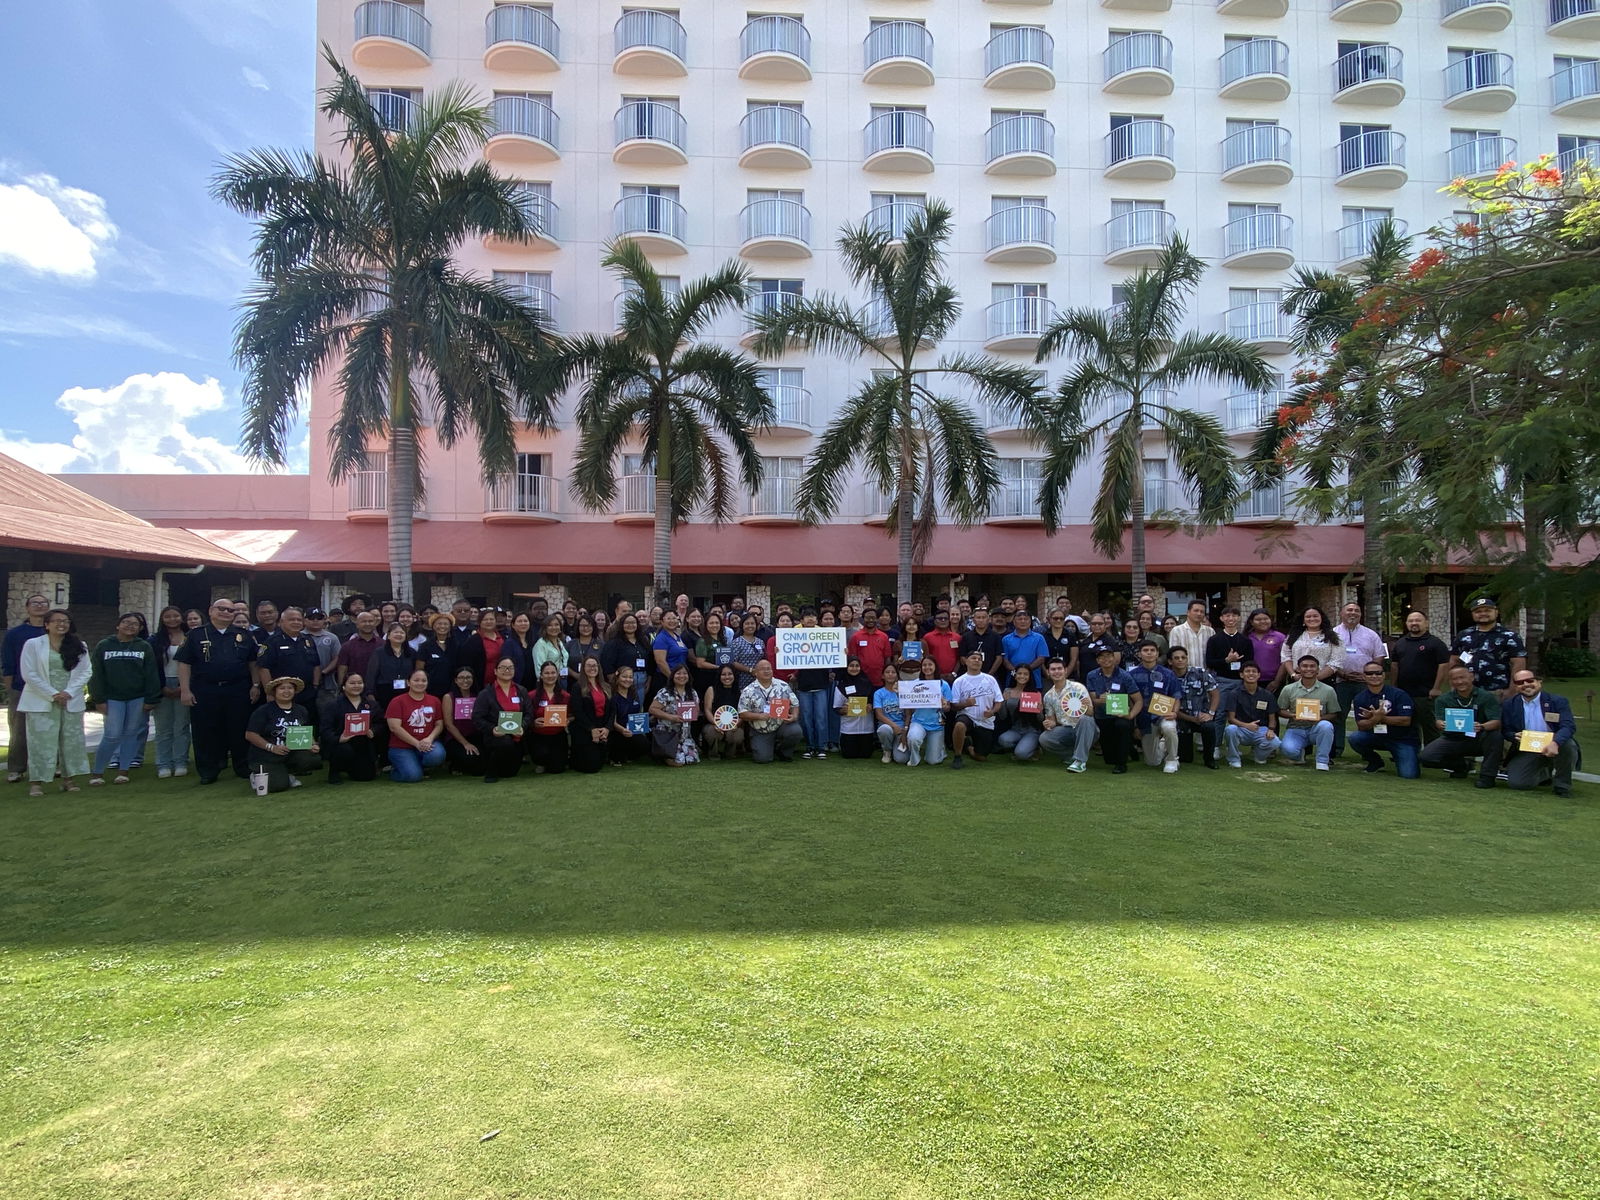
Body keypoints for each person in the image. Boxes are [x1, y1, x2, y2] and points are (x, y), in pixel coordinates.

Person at [176, 598, 260, 785]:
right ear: (211, 610)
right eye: (221, 609)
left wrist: (255, 685)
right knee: (205, 731)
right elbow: (184, 663)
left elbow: (253, 662)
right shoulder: (196, 635)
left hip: (237, 688)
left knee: (239, 729)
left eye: (230, 610)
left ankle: (243, 767)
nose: (226, 613)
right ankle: (208, 770)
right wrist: (185, 690)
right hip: (205, 689)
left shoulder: (243, 635)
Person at [18, 608, 92, 796]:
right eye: (57, 621)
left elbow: (85, 671)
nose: (62, 624)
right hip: (41, 699)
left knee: (71, 741)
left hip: (70, 700)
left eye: (65, 621)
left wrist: (68, 692)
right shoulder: (33, 644)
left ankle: (69, 779)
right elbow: (29, 673)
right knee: (40, 741)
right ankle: (36, 782)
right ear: (47, 624)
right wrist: (53, 694)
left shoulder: (79, 645)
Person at [86, 612, 162, 786]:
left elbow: (151, 673)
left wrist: (151, 698)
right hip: (113, 698)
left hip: (137, 697)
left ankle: (123, 771)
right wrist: (98, 699)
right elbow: (96, 673)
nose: (130, 626)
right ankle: (97, 772)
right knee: (112, 735)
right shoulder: (104, 645)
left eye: (135, 624)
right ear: (118, 625)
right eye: (126, 622)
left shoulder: (143, 647)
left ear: (140, 628)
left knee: (131, 734)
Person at [1498, 669, 1579, 797]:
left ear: (1539, 682)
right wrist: (1513, 736)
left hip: (1555, 745)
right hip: (1528, 748)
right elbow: (1506, 730)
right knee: (1518, 784)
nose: (1525, 684)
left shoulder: (1557, 701)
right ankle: (1544, 773)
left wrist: (1555, 742)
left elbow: (1568, 726)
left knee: (1568, 744)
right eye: (1520, 682)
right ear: (1516, 686)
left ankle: (1562, 785)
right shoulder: (1509, 704)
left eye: (1530, 680)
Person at [1420, 664, 1504, 788]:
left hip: (1479, 738)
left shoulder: (1486, 697)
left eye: (1462, 677)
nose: (1459, 682)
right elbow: (1438, 721)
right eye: (1455, 679)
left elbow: (1496, 722)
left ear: (1471, 677)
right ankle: (1460, 766)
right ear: (1450, 681)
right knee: (1426, 757)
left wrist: (1481, 726)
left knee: (1495, 737)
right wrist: (1441, 724)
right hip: (1452, 738)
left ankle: (1487, 777)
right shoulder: (1443, 699)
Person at [244, 676, 322, 793]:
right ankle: (257, 775)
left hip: (290, 753)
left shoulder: (301, 710)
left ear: (295, 691)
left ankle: (286, 773)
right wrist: (272, 747)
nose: (286, 691)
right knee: (278, 787)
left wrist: (313, 744)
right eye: (282, 688)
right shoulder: (263, 711)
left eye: (290, 688)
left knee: (312, 759)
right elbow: (250, 734)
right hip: (266, 755)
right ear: (274, 692)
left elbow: (305, 731)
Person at [1329, 601, 1387, 758]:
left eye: (1356, 610)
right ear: (1341, 613)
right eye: (1349, 610)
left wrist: (1369, 674)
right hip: (1341, 681)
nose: (1352, 613)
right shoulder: (1333, 633)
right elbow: (1327, 656)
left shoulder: (1371, 634)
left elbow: (1379, 656)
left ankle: (1366, 750)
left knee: (1367, 714)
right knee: (1339, 715)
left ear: (1360, 614)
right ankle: (1337, 748)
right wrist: (1341, 673)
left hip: (1365, 682)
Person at [3, 591, 50, 784]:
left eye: (43, 603)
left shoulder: (54, 631)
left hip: (51, 689)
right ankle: (16, 769)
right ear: (27, 608)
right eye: (35, 603)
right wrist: (10, 688)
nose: (39, 606)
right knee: (19, 730)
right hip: (21, 688)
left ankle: (49, 765)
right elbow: (8, 661)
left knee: (49, 729)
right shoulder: (15, 634)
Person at [1346, 659, 1419, 778]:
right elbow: (1362, 725)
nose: (1374, 676)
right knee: (1355, 738)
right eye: (1369, 673)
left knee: (1409, 775)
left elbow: (1406, 721)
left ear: (1384, 675)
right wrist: (1376, 719)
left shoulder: (1399, 694)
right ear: (1364, 676)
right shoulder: (1360, 698)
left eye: (1378, 673)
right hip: (1377, 736)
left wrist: (1381, 718)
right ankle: (1375, 761)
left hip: (1402, 739)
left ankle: (1401, 755)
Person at [1388, 610, 1451, 743]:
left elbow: (1444, 666)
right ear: (1406, 623)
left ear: (1426, 623)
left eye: (1418, 620)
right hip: (1404, 693)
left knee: (1430, 727)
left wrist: (1437, 688)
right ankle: (1410, 754)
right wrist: (1394, 687)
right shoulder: (1400, 643)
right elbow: (1394, 665)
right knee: (1407, 726)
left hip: (1426, 694)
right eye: (1411, 621)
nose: (1414, 623)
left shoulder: (1435, 643)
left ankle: (1432, 756)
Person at [1450, 594, 1528, 698]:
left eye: (1487, 610)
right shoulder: (1464, 635)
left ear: (1496, 612)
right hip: (1468, 692)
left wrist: (1512, 690)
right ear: (1472, 614)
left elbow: (1519, 663)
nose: (1483, 614)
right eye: (1478, 611)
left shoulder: (1509, 636)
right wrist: (1454, 685)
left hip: (1498, 691)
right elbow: (1456, 660)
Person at [148, 605, 192, 778]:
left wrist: (185, 686)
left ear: (181, 618)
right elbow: (151, 667)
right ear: (162, 619)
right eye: (168, 616)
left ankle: (180, 761)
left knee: (181, 726)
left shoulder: (190, 637)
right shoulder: (155, 640)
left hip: (184, 683)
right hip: (163, 684)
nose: (172, 619)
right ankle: (163, 763)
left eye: (176, 616)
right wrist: (161, 687)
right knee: (163, 728)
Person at [1277, 655, 1341, 770]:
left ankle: (1322, 761)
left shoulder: (1328, 690)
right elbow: (1281, 710)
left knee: (1326, 726)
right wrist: (1292, 715)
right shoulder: (1288, 689)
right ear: (1298, 669)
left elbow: (1334, 713)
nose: (1308, 669)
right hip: (1296, 728)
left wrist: (1320, 719)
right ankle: (1299, 754)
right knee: (1287, 750)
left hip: (1317, 728)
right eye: (1305, 666)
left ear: (1318, 669)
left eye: (1312, 666)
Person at [1203, 605, 1251, 758]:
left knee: (1240, 715)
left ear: (1238, 618)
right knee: (1220, 714)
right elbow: (1210, 662)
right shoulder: (1214, 639)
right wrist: (1227, 660)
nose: (1231, 619)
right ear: (1222, 619)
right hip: (1221, 681)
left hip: (1240, 681)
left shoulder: (1245, 641)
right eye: (1227, 616)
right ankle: (1216, 745)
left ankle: (1236, 746)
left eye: (1234, 616)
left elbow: (1250, 663)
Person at [472, 656, 530, 783]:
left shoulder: (521, 691)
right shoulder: (486, 694)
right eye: (503, 667)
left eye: (510, 668)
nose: (507, 670)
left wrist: (523, 726)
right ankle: (491, 770)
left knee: (510, 774)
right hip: (495, 738)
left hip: (517, 737)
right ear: (495, 671)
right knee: (504, 742)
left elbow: (528, 714)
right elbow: (477, 718)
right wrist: (492, 729)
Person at [1085, 645, 1141, 774]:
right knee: (1109, 759)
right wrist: (1101, 700)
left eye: (1109, 656)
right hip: (1102, 716)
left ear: (1114, 658)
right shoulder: (1092, 675)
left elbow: (1138, 700)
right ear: (1097, 660)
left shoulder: (1125, 676)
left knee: (1122, 726)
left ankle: (1122, 765)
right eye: (1102, 657)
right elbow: (1093, 700)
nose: (1106, 659)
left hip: (1120, 716)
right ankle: (1129, 748)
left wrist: (1131, 715)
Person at [1129, 639, 1181, 773]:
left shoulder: (1168, 674)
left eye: (1152, 650)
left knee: (1169, 728)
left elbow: (1176, 696)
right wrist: (1134, 726)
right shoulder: (1132, 675)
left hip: (1164, 715)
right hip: (1144, 719)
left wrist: (1174, 713)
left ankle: (1172, 759)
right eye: (1145, 650)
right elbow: (1130, 701)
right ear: (1140, 654)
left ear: (1157, 654)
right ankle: (1163, 745)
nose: (1149, 653)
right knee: (1152, 762)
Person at [320, 672, 381, 784]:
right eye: (352, 683)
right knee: (344, 750)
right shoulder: (333, 705)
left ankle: (351, 768)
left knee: (366, 777)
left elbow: (380, 723)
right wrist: (338, 738)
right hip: (342, 745)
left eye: (359, 683)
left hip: (363, 744)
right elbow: (325, 729)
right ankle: (334, 770)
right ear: (344, 686)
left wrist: (373, 731)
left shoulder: (371, 704)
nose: (356, 686)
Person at [738, 659, 804, 764]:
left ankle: (783, 751)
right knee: (763, 759)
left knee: (795, 731)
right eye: (763, 669)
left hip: (781, 725)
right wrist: (758, 716)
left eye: (769, 669)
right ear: (756, 673)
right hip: (760, 730)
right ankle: (768, 748)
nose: (766, 671)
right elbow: (742, 713)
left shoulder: (783, 686)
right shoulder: (748, 690)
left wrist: (794, 716)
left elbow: (795, 704)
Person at [385, 669, 445, 783]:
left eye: (424, 680)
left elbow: (439, 724)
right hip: (401, 747)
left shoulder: (434, 700)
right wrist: (417, 743)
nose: (420, 683)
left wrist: (429, 739)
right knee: (413, 777)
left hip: (427, 743)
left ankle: (416, 765)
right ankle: (395, 770)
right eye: (416, 680)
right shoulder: (397, 701)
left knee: (438, 755)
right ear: (408, 682)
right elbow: (394, 727)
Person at [1038, 657, 1096, 772]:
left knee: (1085, 719)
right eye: (1053, 669)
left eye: (1059, 668)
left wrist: (1087, 707)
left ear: (1065, 670)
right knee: (1044, 738)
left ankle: (1080, 761)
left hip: (1086, 728)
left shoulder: (1078, 687)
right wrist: (1049, 723)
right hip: (1066, 730)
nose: (1056, 672)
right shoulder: (1048, 696)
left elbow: (1090, 713)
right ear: (1048, 672)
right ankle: (1072, 756)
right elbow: (1052, 721)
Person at [948, 649, 1004, 769]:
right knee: (959, 725)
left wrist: (992, 712)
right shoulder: (959, 681)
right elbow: (953, 705)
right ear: (966, 661)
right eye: (973, 658)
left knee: (981, 757)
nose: (977, 660)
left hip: (985, 720)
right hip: (967, 716)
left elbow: (999, 701)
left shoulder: (990, 679)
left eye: (979, 659)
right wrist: (965, 704)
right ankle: (957, 757)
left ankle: (967, 746)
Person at [1167, 646, 1219, 768]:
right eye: (1176, 658)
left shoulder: (1200, 673)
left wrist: (1211, 713)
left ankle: (1209, 758)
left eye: (1183, 657)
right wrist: (1191, 719)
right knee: (1186, 759)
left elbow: (1215, 693)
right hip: (1180, 719)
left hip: (1202, 716)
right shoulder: (1166, 677)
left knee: (1209, 727)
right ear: (1170, 661)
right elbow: (1169, 706)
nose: (1180, 660)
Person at [1223, 662, 1281, 768]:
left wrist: (1271, 730)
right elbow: (1231, 719)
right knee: (1230, 729)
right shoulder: (1234, 694)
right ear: (1241, 675)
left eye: (1254, 671)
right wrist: (1247, 725)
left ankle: (1258, 756)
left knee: (1275, 742)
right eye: (1247, 671)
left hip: (1261, 729)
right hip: (1241, 729)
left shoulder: (1267, 695)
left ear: (1259, 675)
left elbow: (1272, 717)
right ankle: (1234, 759)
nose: (1251, 674)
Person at [649, 663, 701, 767]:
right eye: (678, 673)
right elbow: (652, 709)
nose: (682, 676)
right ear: (672, 676)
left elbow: (697, 710)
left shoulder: (692, 693)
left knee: (692, 760)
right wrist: (671, 717)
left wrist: (693, 713)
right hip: (668, 734)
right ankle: (664, 755)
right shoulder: (665, 692)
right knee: (678, 763)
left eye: (685, 673)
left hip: (685, 734)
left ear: (688, 676)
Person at [1276, 608, 1340, 692]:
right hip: (1297, 680)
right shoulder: (1293, 636)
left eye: (1315, 616)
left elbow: (1336, 661)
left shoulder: (1332, 637)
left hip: (1323, 681)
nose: (1312, 619)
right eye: (1308, 617)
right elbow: (1286, 657)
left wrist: (1315, 678)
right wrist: (1293, 675)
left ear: (1322, 618)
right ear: (1303, 620)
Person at [904, 656, 953, 766]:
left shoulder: (943, 685)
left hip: (937, 724)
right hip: (918, 722)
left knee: (933, 761)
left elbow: (948, 708)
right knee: (913, 738)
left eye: (930, 665)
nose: (927, 667)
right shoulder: (914, 683)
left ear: (935, 667)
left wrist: (945, 705)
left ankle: (941, 750)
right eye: (924, 665)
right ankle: (914, 759)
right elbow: (907, 701)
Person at [567, 656, 611, 775]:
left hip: (602, 728)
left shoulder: (606, 686)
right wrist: (591, 729)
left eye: (594, 665)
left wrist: (607, 728)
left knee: (599, 762)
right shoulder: (577, 687)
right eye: (589, 665)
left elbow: (612, 711)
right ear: (583, 669)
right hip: (584, 728)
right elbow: (578, 711)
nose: (592, 668)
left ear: (599, 668)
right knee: (591, 767)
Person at [528, 660, 571, 775]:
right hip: (539, 736)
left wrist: (568, 721)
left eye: (553, 673)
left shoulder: (565, 696)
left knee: (557, 769)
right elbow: (526, 716)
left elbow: (573, 715)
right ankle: (540, 761)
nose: (550, 676)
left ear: (557, 675)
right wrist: (533, 722)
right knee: (541, 755)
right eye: (546, 673)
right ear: (541, 676)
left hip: (558, 736)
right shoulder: (531, 695)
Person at [441, 666, 486, 776]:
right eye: (461, 678)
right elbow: (448, 724)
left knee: (483, 767)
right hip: (456, 738)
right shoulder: (448, 697)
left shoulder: (479, 696)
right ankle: (455, 764)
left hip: (475, 736)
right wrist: (465, 743)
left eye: (468, 677)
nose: (465, 680)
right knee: (471, 762)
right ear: (456, 680)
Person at [995, 663, 1042, 764]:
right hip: (1015, 729)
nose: (1022, 676)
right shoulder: (1008, 691)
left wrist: (1040, 710)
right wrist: (1003, 701)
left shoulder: (1035, 693)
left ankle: (1034, 749)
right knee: (1003, 740)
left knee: (1021, 754)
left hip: (1031, 730)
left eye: (1026, 674)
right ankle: (1024, 746)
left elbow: (1040, 719)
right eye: (1019, 673)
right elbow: (1002, 716)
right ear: (1015, 675)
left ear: (1029, 677)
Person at [601, 613, 652, 705]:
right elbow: (607, 664)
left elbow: (650, 661)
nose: (630, 625)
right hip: (623, 682)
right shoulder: (614, 643)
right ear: (621, 625)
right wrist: (615, 682)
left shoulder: (643, 641)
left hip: (642, 681)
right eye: (627, 623)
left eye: (633, 623)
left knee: (638, 709)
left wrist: (648, 680)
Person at [700, 664, 747, 760]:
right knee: (712, 733)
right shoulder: (711, 690)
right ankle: (714, 754)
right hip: (713, 724)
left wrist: (736, 724)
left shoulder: (741, 692)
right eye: (723, 674)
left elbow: (743, 712)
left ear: (734, 675)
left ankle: (731, 754)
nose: (727, 677)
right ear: (719, 676)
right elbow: (707, 709)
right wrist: (716, 723)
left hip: (734, 725)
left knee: (736, 735)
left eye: (730, 674)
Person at [834, 657, 877, 759]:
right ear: (846, 667)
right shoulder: (841, 686)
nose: (854, 668)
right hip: (849, 728)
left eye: (857, 666)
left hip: (866, 728)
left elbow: (874, 702)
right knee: (849, 755)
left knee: (866, 755)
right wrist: (843, 710)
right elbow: (836, 708)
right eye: (851, 666)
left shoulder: (868, 683)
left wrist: (870, 706)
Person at [457, 610, 509, 693]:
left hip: (503, 682)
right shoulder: (473, 641)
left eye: (491, 619)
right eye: (485, 620)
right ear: (479, 622)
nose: (489, 622)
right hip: (481, 684)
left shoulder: (503, 638)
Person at [607, 665, 649, 764]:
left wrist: (647, 721)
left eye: (630, 677)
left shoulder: (634, 695)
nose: (628, 680)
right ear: (617, 678)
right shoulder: (612, 696)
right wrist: (622, 730)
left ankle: (629, 755)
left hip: (632, 731)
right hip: (616, 732)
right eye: (624, 676)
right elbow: (612, 721)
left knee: (645, 745)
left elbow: (638, 714)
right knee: (619, 757)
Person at [366, 622, 419, 700]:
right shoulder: (379, 653)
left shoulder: (411, 652)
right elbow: (371, 675)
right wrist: (370, 693)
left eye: (402, 632)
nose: (399, 635)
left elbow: (416, 672)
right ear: (389, 636)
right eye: (396, 632)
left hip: (407, 692)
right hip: (384, 693)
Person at [999, 610, 1049, 689]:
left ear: (1030, 622)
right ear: (1014, 622)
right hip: (1012, 680)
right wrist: (1017, 672)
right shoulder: (1006, 639)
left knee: (1032, 701)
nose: (1023, 621)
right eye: (1020, 619)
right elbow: (1005, 660)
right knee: (1011, 701)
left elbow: (1041, 658)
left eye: (1026, 619)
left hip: (1034, 681)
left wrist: (1026, 671)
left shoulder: (1039, 638)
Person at [334, 610, 383, 689]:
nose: (367, 624)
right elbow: (342, 669)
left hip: (379, 687)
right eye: (364, 621)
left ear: (375, 624)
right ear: (357, 624)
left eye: (370, 621)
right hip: (355, 688)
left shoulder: (383, 644)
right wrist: (342, 688)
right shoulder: (347, 646)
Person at [873, 662, 910, 764]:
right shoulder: (879, 693)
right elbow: (878, 715)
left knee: (901, 759)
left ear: (897, 675)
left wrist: (905, 729)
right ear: (883, 676)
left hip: (901, 728)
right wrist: (894, 726)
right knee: (884, 730)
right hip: (887, 726)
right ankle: (887, 750)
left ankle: (896, 747)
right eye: (887, 672)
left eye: (893, 672)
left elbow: (908, 714)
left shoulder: (903, 692)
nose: (890, 674)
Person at [304, 608, 343, 704]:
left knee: (327, 713)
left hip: (327, 684)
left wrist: (324, 672)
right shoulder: (299, 636)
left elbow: (337, 657)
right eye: (311, 618)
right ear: (305, 620)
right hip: (304, 683)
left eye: (319, 618)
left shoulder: (332, 638)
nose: (315, 621)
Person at [851, 607, 895, 688]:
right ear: (863, 619)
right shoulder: (856, 636)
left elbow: (887, 658)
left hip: (879, 679)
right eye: (867, 618)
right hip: (861, 679)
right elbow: (852, 657)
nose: (870, 620)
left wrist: (886, 676)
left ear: (877, 619)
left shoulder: (883, 637)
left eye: (873, 618)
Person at [417, 613, 457, 697]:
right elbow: (420, 669)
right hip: (431, 689)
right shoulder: (425, 646)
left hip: (452, 689)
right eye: (439, 623)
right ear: (433, 626)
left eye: (446, 624)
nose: (442, 626)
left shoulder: (456, 645)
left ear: (450, 627)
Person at [958, 607, 1005, 678]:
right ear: (973, 620)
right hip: (970, 675)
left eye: (983, 617)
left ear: (988, 620)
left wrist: (990, 674)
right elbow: (962, 657)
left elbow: (999, 657)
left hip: (990, 675)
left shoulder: (996, 636)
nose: (981, 620)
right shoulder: (966, 636)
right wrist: (973, 670)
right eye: (978, 618)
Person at [1167, 599, 1214, 667]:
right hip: (1185, 674)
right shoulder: (1177, 631)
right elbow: (1174, 654)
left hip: (1206, 673)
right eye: (1196, 610)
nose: (1199, 613)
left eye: (1202, 611)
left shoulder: (1210, 631)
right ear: (1188, 612)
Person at [1246, 608, 1286, 685]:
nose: (1263, 622)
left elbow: (1285, 661)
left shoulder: (1280, 637)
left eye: (1266, 619)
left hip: (1275, 680)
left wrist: (1276, 681)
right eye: (1258, 619)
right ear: (1251, 622)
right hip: (1251, 680)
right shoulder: (1246, 637)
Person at [922, 609, 963, 681]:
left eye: (946, 618)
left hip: (952, 677)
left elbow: (959, 658)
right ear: (934, 621)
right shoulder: (927, 637)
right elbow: (926, 658)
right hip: (933, 677)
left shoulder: (957, 637)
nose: (943, 620)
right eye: (940, 618)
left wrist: (954, 673)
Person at [1040, 609, 1080, 681]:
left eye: (1061, 618)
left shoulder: (1070, 635)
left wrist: (1066, 674)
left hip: (1068, 676)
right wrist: (1046, 672)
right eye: (1055, 618)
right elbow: (1040, 657)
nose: (1058, 621)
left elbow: (1074, 658)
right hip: (1048, 677)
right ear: (1049, 619)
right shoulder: (1043, 636)